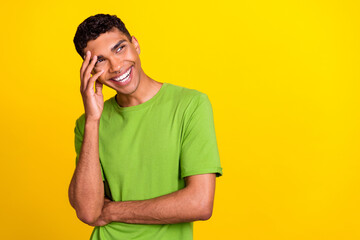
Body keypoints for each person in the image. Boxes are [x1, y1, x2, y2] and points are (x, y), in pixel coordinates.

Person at [68, 13, 223, 240]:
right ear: (90, 71)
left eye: (119, 48)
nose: (116, 66)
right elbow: (88, 211)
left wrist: (113, 210)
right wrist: (93, 121)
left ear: (136, 44)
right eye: (100, 60)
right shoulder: (87, 123)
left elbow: (199, 203)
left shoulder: (190, 104)